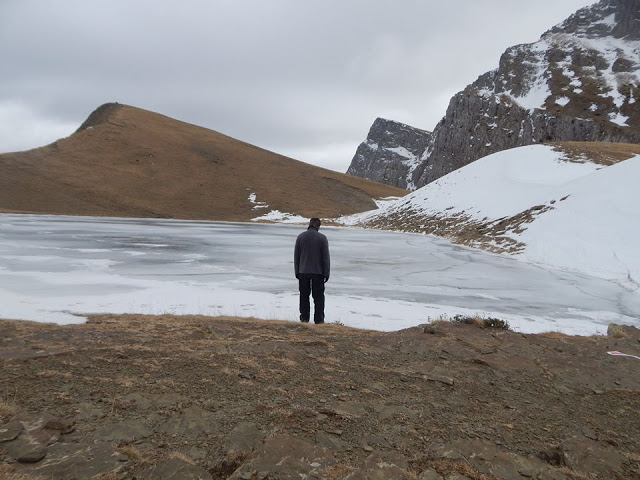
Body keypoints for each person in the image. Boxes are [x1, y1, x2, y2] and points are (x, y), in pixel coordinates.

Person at [294, 218, 330, 324]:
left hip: (303, 271)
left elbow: (297, 257)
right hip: (318, 273)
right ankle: (319, 320)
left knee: (304, 296)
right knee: (318, 297)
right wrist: (326, 273)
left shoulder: (300, 237)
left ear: (309, 224)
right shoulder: (322, 238)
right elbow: (325, 258)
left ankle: (304, 319)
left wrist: (297, 272)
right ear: (318, 226)